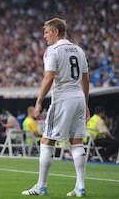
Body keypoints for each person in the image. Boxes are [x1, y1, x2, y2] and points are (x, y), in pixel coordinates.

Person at [21, 18, 90, 197]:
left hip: (63, 98)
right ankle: (80, 186)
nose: (44, 36)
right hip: (79, 98)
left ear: (56, 32)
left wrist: (38, 102)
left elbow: (49, 77)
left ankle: (41, 186)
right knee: (76, 142)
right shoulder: (79, 50)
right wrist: (86, 103)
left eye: (47, 32)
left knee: (47, 140)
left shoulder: (53, 50)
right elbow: (86, 79)